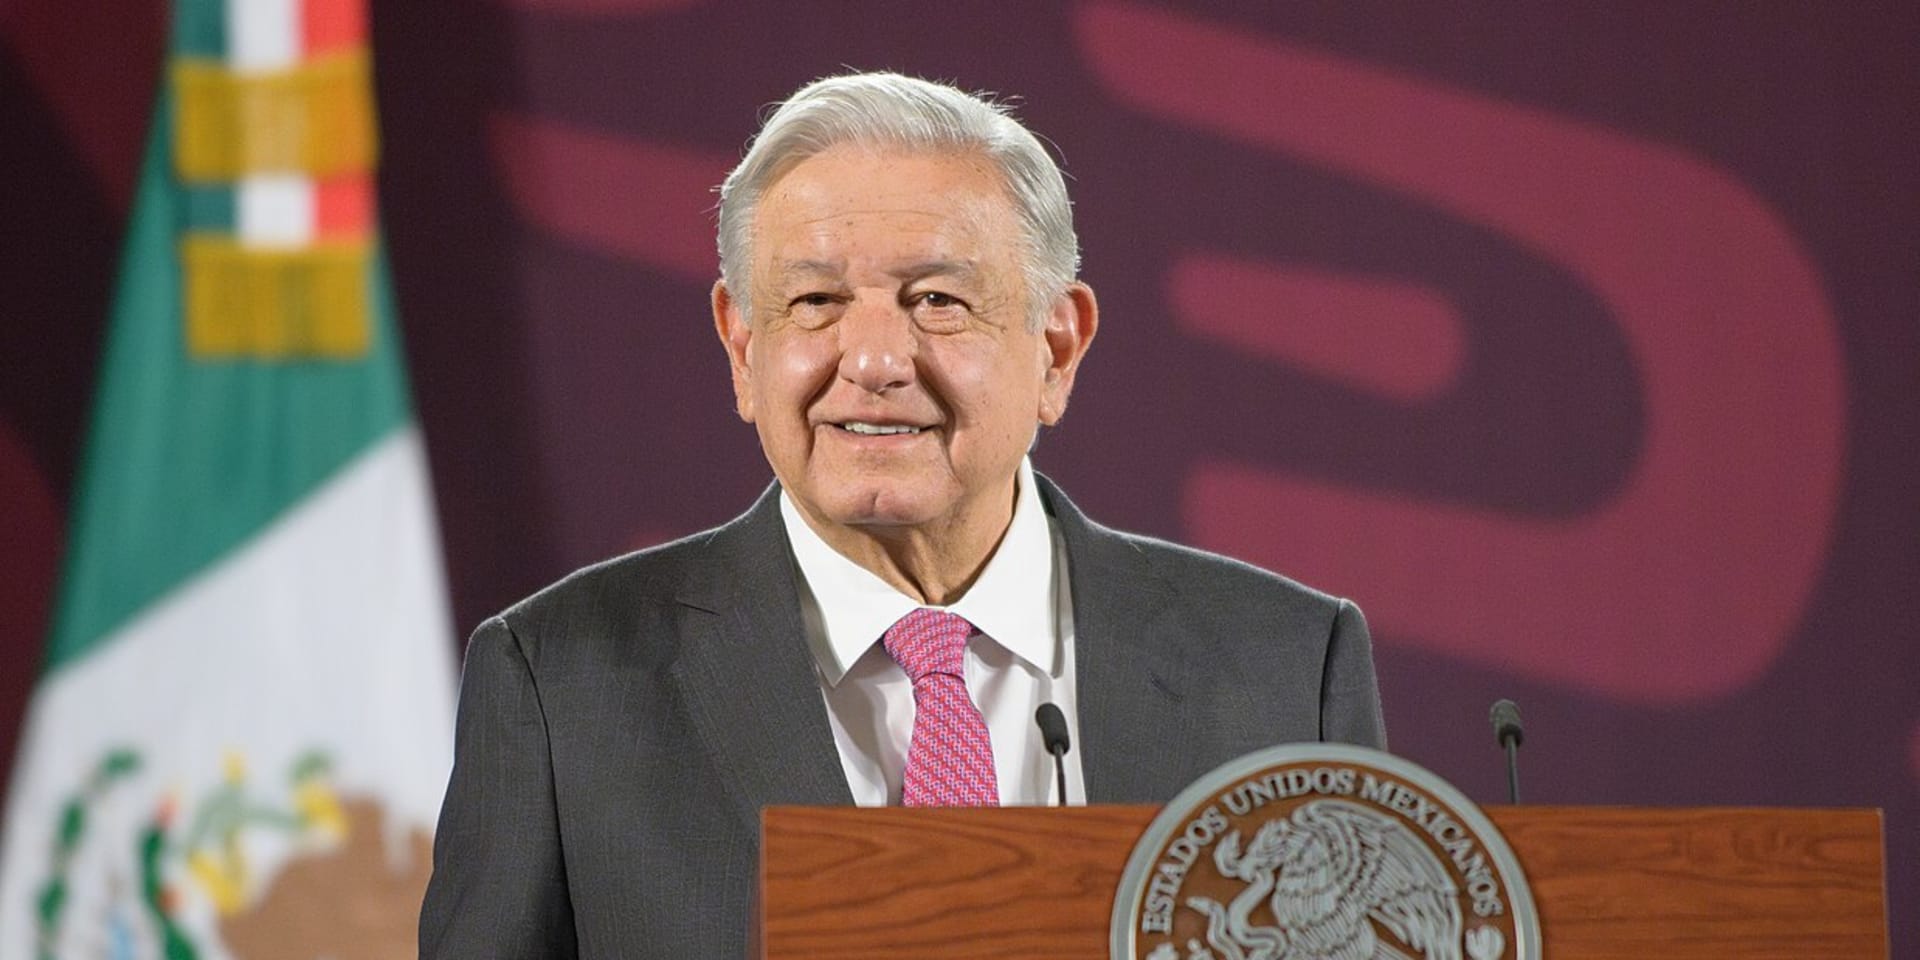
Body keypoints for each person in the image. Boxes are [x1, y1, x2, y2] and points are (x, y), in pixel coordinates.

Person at [418, 70, 1385, 958]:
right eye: (815, 300)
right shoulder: (562, 685)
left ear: (1056, 349)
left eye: (937, 300)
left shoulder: (1285, 669)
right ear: (742, 347)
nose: (875, 360)